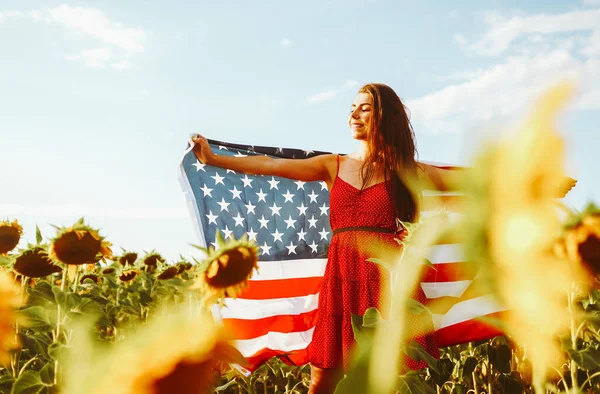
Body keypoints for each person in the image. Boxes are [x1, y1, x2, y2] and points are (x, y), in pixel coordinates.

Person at [190, 83, 574, 394]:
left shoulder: (407, 170)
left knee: (397, 376)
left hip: (389, 278)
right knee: (323, 377)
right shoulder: (332, 165)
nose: (353, 115)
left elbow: (477, 181)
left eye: (364, 108)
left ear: (383, 116)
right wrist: (215, 159)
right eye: (353, 108)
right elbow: (272, 165)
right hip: (342, 276)